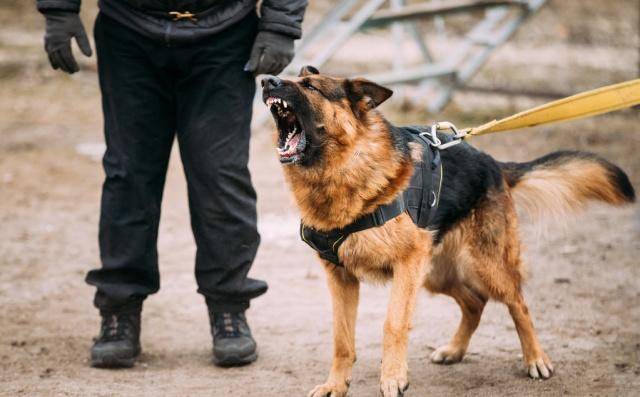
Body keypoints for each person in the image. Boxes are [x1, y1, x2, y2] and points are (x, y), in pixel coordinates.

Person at [37, 0, 307, 368]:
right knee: (128, 174)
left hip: (224, 36)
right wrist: (59, 10)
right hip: (128, 31)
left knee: (220, 175)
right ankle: (120, 311)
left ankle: (228, 309)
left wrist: (280, 25)